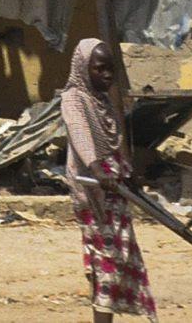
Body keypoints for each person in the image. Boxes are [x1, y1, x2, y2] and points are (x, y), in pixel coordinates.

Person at [62, 38, 157, 321]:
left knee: (114, 259)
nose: (107, 75)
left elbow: (115, 145)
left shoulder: (102, 100)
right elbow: (80, 135)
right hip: (94, 193)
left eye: (110, 69)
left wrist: (127, 173)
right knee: (107, 260)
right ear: (83, 69)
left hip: (114, 188)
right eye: (99, 69)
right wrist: (97, 170)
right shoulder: (74, 99)